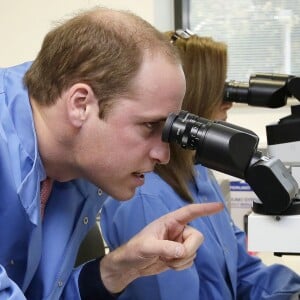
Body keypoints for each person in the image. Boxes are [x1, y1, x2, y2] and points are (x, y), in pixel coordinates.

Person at [0, 9, 225, 300]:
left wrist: (120, 268)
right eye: (149, 125)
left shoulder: (73, 165)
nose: (164, 155)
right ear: (80, 104)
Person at [100, 30, 300, 299]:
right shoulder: (145, 197)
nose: (229, 100)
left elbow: (243, 271)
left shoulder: (197, 171)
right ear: (191, 98)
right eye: (220, 88)